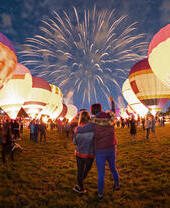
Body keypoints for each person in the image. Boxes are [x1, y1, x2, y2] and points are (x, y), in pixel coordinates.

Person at [77, 97, 119, 199]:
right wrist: (112, 102)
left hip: (100, 150)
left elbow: (81, 130)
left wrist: (77, 126)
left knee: (101, 173)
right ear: (101, 109)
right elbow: (113, 110)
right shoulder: (110, 118)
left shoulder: (93, 122)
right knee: (113, 168)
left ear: (93, 111)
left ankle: (100, 193)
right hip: (111, 148)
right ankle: (117, 185)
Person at [73, 111, 94, 194]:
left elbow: (74, 142)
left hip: (79, 153)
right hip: (90, 154)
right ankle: (82, 179)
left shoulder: (77, 129)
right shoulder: (93, 128)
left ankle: (80, 187)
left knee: (80, 171)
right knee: (87, 169)